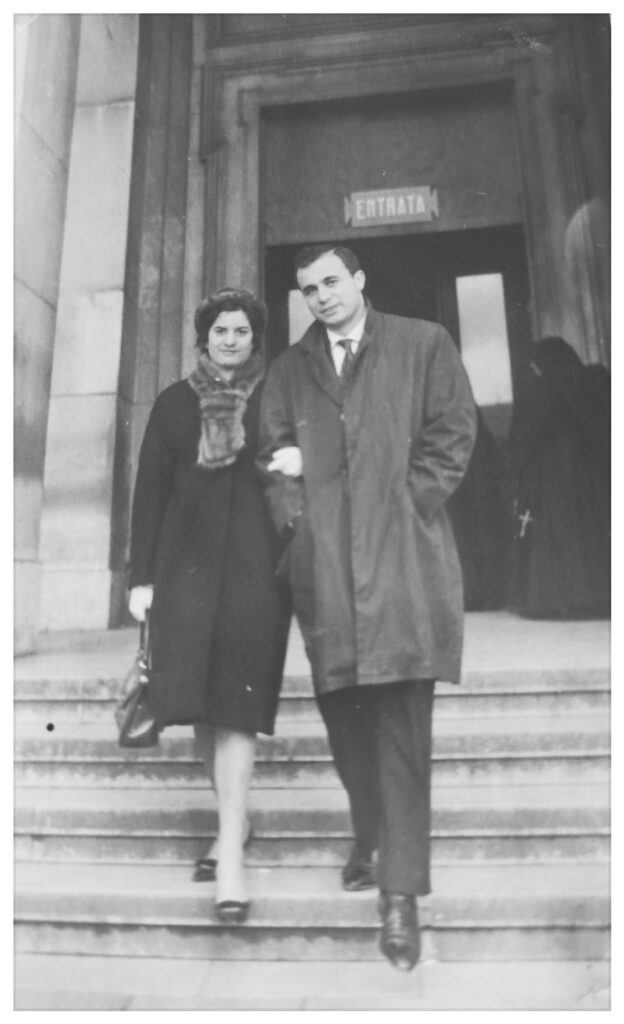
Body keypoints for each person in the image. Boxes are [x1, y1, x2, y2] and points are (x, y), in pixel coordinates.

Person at [258, 244, 476, 970]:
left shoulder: (423, 343)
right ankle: (370, 833)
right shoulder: (289, 371)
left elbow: (454, 432)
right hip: (326, 577)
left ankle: (400, 897)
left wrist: (410, 504)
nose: (320, 295)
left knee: (403, 731)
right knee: (347, 726)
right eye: (307, 288)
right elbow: (271, 457)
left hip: (404, 569)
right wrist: (299, 526)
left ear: (358, 280)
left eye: (331, 281)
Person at [128, 287, 291, 925]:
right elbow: (149, 493)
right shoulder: (174, 402)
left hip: (255, 574)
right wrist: (142, 579)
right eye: (220, 330)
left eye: (241, 331)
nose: (230, 340)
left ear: (254, 339)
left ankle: (230, 860)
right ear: (204, 337)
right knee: (199, 705)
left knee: (236, 708)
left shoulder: (275, 398)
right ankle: (235, 823)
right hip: (185, 573)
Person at [509, 335, 610, 618]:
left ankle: (567, 600)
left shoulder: (543, 388)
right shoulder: (596, 379)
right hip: (595, 469)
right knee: (595, 527)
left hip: (556, 471)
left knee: (560, 532)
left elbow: (526, 437)